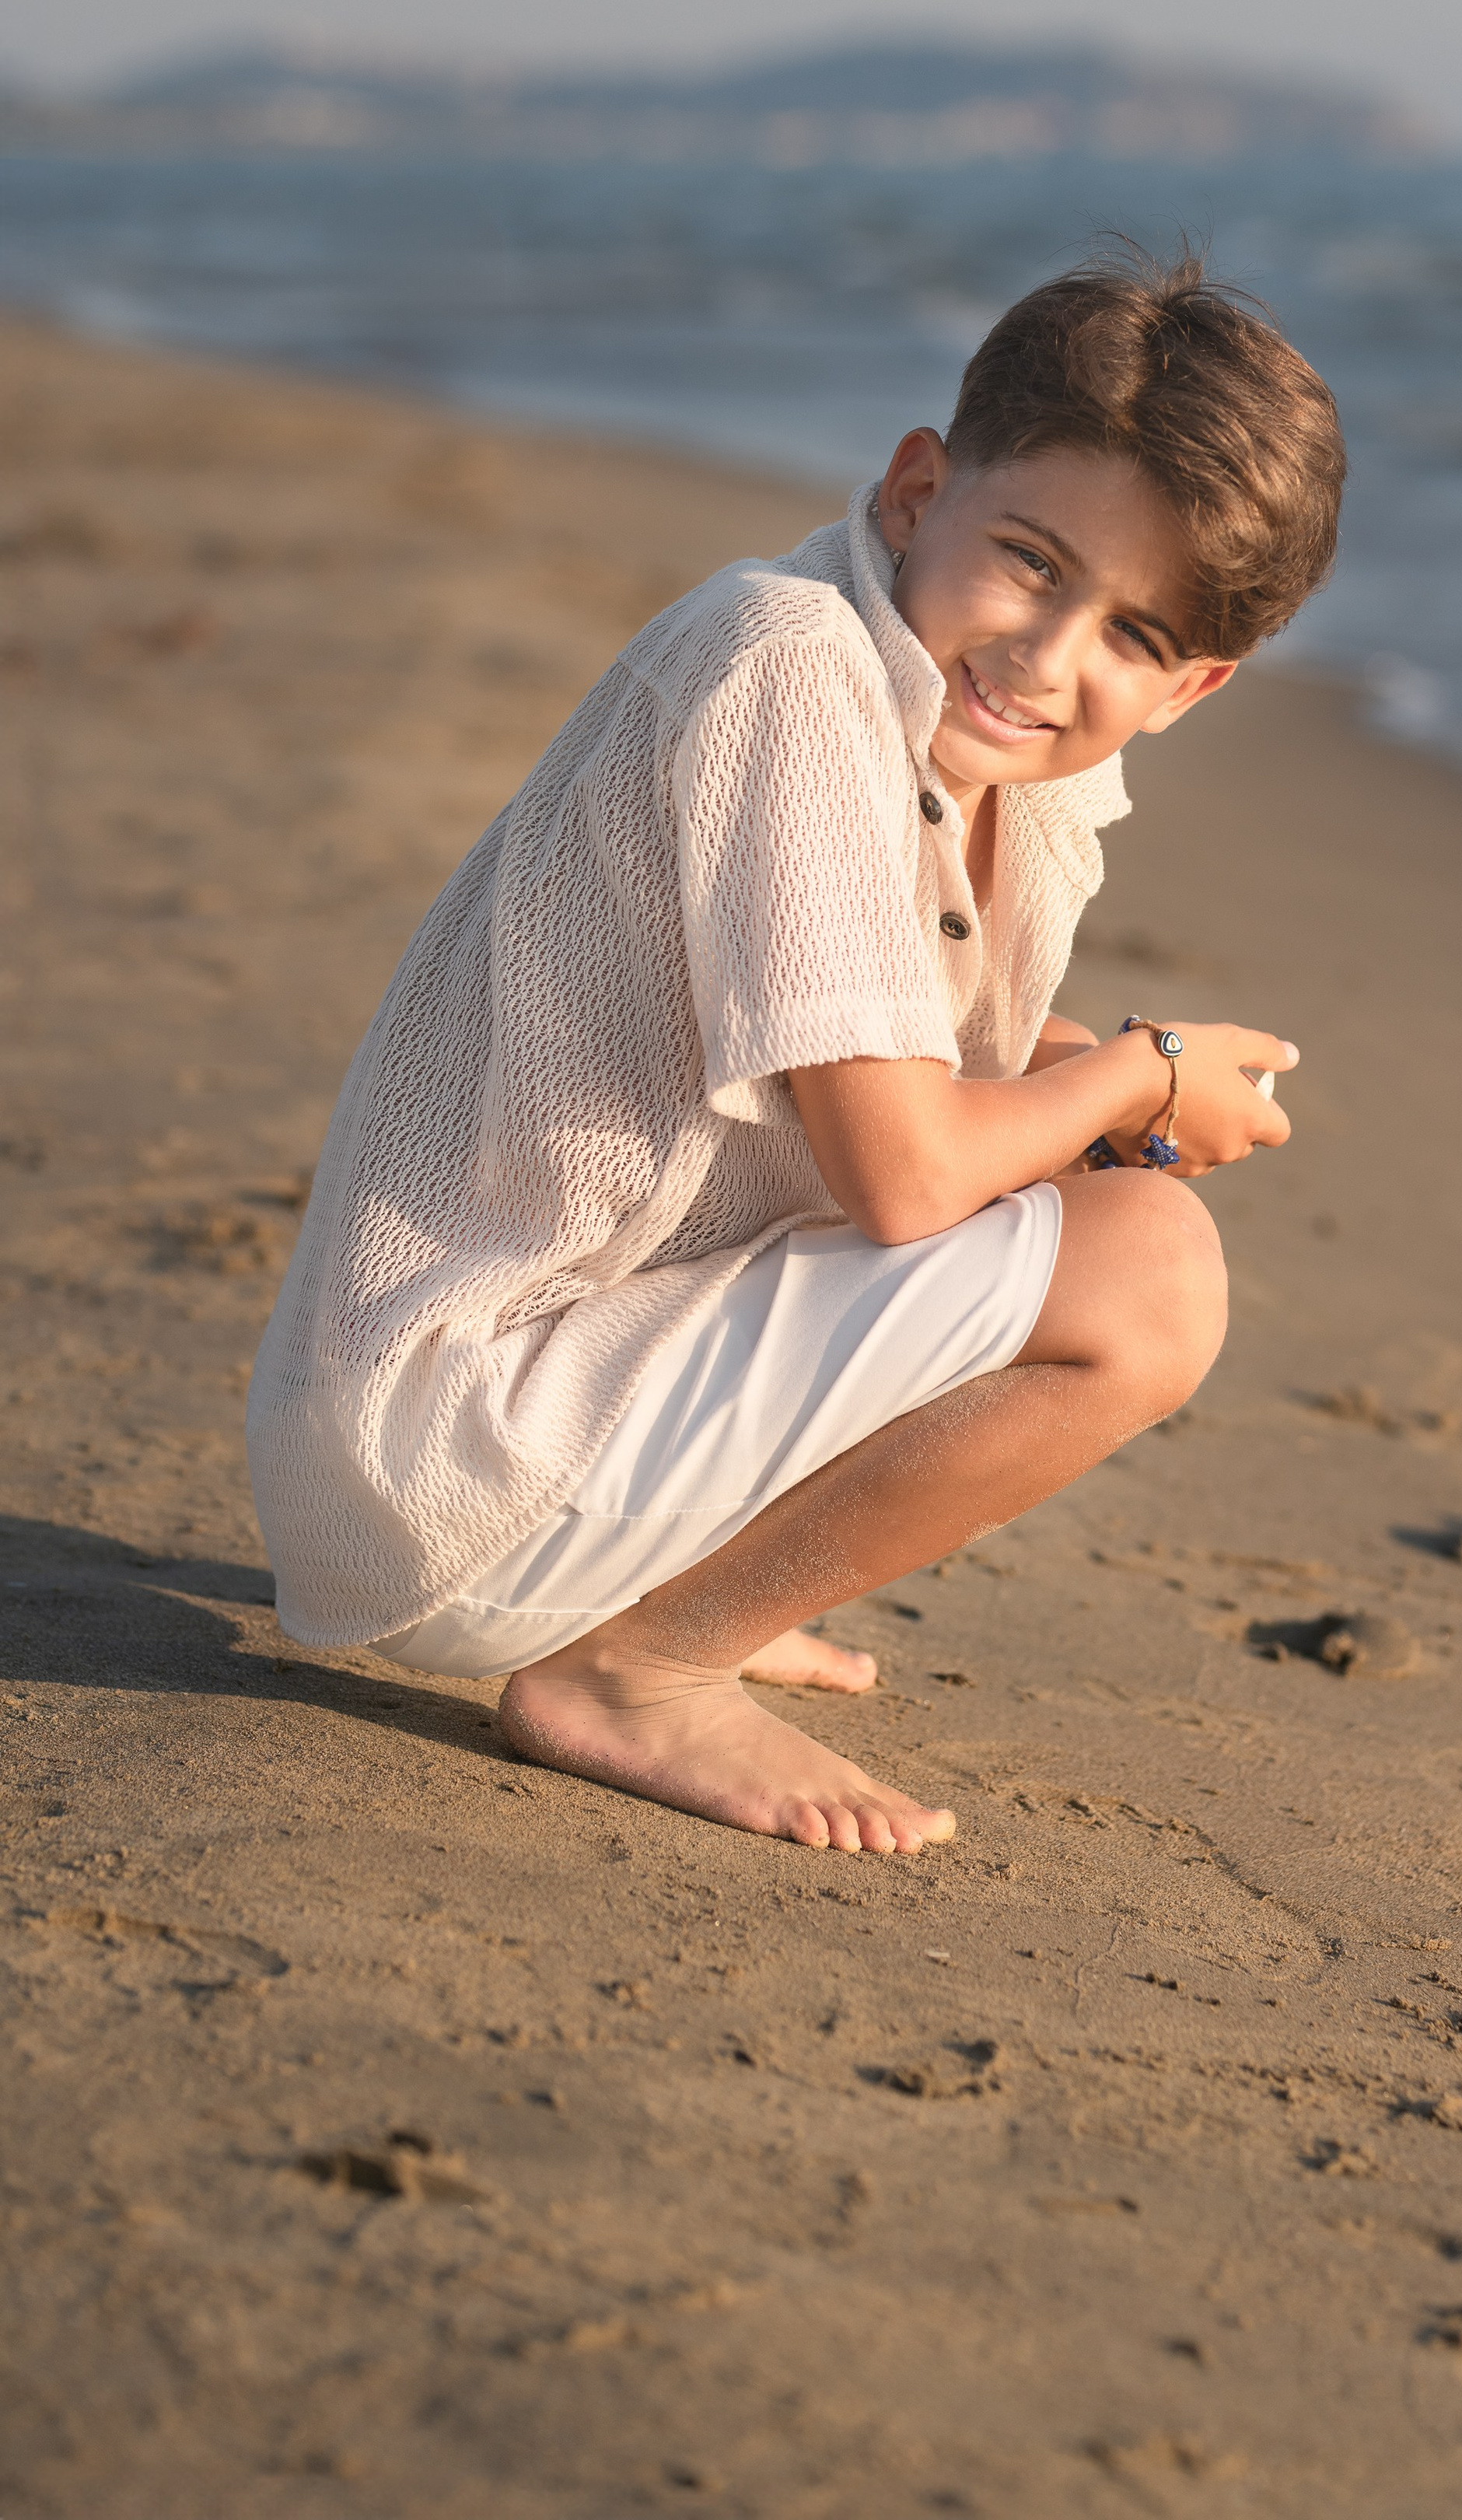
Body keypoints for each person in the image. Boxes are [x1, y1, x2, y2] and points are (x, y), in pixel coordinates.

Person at [247, 248, 1345, 1853]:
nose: (1047, 657)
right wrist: (1140, 1073)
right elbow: (899, 1178)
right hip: (445, 1447)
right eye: (1029, 563)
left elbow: (895, 1043)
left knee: (1071, 1191)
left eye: (1128, 634)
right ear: (915, 493)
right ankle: (639, 1663)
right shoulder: (787, 665)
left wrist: (1076, 1076)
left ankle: (669, 1594)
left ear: (1192, 686)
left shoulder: (1002, 771)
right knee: (1152, 1275)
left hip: (544, 1404)